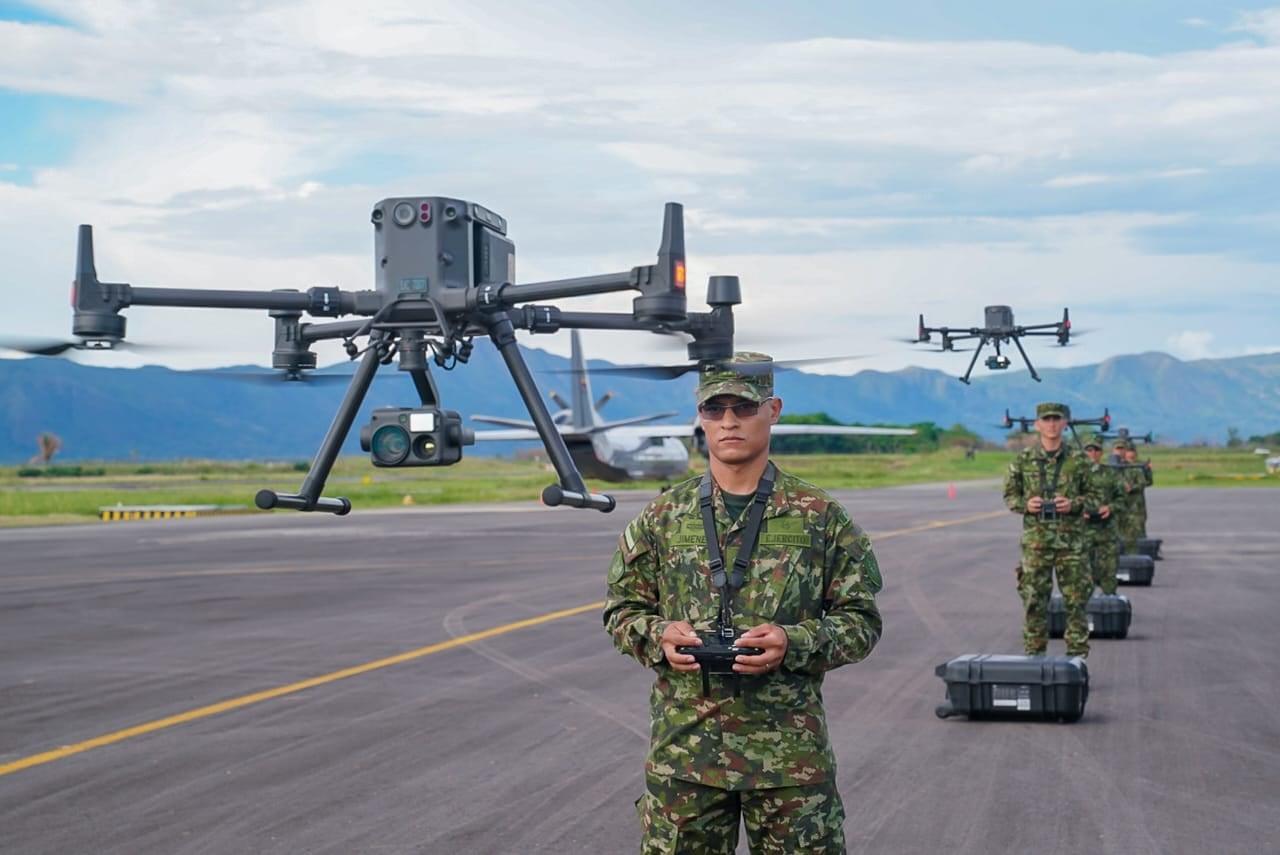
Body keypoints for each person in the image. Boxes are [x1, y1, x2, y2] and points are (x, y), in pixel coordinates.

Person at [603, 352, 883, 855]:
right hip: (685, 756)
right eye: (715, 409)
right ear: (701, 417)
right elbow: (621, 608)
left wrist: (792, 642)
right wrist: (657, 635)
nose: (729, 421)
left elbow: (861, 621)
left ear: (772, 410)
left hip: (788, 761)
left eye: (743, 407)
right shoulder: (664, 516)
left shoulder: (819, 516)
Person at [1002, 402, 1101, 659]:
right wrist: (1026, 504)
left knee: (1077, 603)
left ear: (1065, 424)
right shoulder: (1023, 460)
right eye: (1046, 420)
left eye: (1057, 419)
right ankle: (1035, 659)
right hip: (1037, 544)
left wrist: (1074, 504)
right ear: (1037, 424)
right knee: (1034, 602)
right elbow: (1010, 496)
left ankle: (1077, 660)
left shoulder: (1079, 461)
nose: (1052, 424)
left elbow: (1095, 497)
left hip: (1072, 544)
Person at [1081, 434, 1124, 595]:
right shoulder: (1076, 475)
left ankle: (1109, 605)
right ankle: (1086, 609)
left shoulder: (1111, 474)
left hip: (1107, 530)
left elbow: (1122, 499)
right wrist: (1080, 511)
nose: (1092, 453)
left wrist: (1111, 508)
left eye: (1096, 449)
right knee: (1084, 572)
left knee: (1109, 570)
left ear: (1101, 452)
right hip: (1084, 531)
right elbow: (1066, 499)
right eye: (1089, 449)